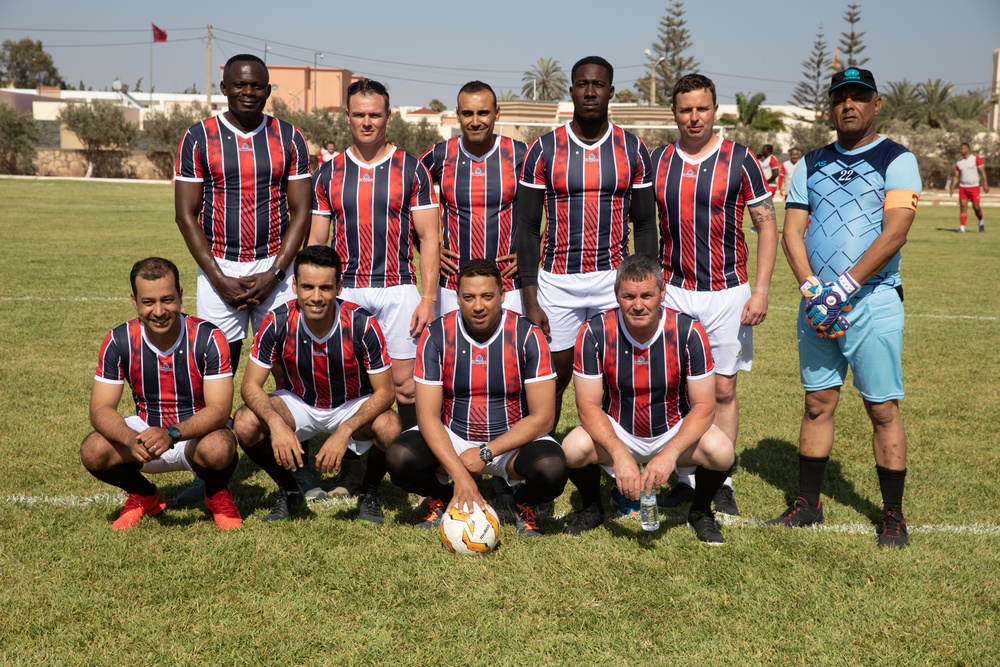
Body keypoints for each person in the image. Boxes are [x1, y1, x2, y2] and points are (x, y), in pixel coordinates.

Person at [772, 67, 921, 548]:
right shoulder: (809, 163)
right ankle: (808, 505)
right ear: (830, 107)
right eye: (841, 99)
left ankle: (893, 516)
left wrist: (845, 288)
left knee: (881, 409)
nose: (849, 105)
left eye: (859, 97)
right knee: (817, 403)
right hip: (818, 306)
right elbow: (793, 230)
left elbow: (895, 231)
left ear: (877, 104)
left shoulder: (897, 159)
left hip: (872, 301)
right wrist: (813, 289)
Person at [174, 53, 312, 503]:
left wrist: (274, 274)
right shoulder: (198, 137)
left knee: (291, 371)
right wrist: (218, 278)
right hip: (220, 272)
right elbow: (185, 214)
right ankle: (211, 471)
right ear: (225, 87)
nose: (248, 92)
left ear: (268, 90)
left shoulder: (289, 137)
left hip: (275, 269)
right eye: (239, 85)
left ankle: (298, 467)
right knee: (218, 375)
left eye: (256, 86)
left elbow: (301, 212)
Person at [650, 73, 778, 516]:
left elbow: (766, 225)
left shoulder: (740, 160)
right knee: (673, 389)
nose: (694, 117)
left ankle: (719, 480)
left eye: (701, 108)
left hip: (727, 292)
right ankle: (684, 477)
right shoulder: (658, 160)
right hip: (673, 292)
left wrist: (759, 291)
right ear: (674, 113)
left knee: (722, 390)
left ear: (715, 110)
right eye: (685, 109)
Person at [309, 78, 440, 497]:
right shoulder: (329, 171)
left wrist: (429, 298)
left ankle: (417, 469)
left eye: (375, 114)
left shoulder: (411, 167)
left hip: (398, 287)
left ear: (388, 116)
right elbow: (317, 242)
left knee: (404, 386)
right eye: (359, 114)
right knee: (354, 385)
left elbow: (429, 238)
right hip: (347, 290)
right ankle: (355, 475)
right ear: (347, 117)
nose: (367, 122)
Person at [516, 55, 658, 437]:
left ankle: (615, 455)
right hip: (557, 281)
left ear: (611, 91)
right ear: (572, 91)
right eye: (582, 84)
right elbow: (527, 227)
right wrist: (530, 297)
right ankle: (541, 452)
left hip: (612, 279)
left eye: (598, 85)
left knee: (617, 371)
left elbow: (645, 224)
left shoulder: (633, 149)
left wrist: (645, 284)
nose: (590, 91)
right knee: (555, 375)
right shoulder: (544, 149)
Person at [560, 254, 734, 542]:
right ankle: (592, 508)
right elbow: (587, 406)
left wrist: (669, 455)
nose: (638, 305)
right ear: (616, 294)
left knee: (721, 451)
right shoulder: (594, 331)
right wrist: (619, 453)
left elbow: (704, 407)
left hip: (673, 428)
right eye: (629, 296)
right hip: (619, 428)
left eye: (647, 295)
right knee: (572, 449)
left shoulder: (689, 331)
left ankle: (700, 511)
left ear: (662, 293)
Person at [385, 259, 566, 536]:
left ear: (503, 295)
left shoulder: (528, 334)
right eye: (468, 297)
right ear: (457, 298)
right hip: (454, 436)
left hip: (509, 443)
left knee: (552, 467)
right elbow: (427, 417)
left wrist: (486, 452)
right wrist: (460, 474)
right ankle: (443, 496)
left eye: (487, 296)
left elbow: (543, 418)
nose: (478, 306)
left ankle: (521, 503)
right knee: (400, 457)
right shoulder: (436, 334)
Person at [232, 246, 401, 522]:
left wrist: (345, 430)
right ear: (295, 285)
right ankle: (290, 492)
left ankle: (370, 495)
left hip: (351, 404)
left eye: (325, 287)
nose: (316, 297)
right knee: (244, 422)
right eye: (308, 287)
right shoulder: (278, 320)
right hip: (300, 403)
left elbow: (386, 392)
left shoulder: (362, 323)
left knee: (390, 425)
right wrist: (276, 425)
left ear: (339, 287)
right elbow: (250, 385)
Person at [79, 258, 242, 531]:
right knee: (93, 450)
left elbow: (219, 410)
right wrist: (131, 439)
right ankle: (144, 495)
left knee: (220, 447)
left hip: (194, 434)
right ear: (135, 301)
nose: (159, 311)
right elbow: (100, 409)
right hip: (145, 431)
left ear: (180, 294)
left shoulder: (209, 337)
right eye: (148, 302)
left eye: (167, 299)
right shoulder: (118, 340)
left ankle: (216, 494)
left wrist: (173, 433)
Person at [420, 80, 528, 315]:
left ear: (496, 113)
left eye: (483, 113)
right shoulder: (439, 155)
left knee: (508, 351)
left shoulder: (521, 154)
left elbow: (557, 203)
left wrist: (534, 249)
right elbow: (401, 198)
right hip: (453, 285)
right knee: (453, 351)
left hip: (508, 285)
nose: (476, 121)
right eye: (468, 113)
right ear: (458, 114)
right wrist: (428, 248)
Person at [949, 142, 989, 232]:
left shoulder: (976, 159)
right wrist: (952, 187)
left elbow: (982, 171)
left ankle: (981, 222)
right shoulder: (959, 163)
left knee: (976, 207)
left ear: (967, 149)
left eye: (961, 149)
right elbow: (956, 176)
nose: (960, 150)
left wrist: (985, 184)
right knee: (963, 206)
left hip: (974, 187)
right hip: (963, 187)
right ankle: (962, 228)